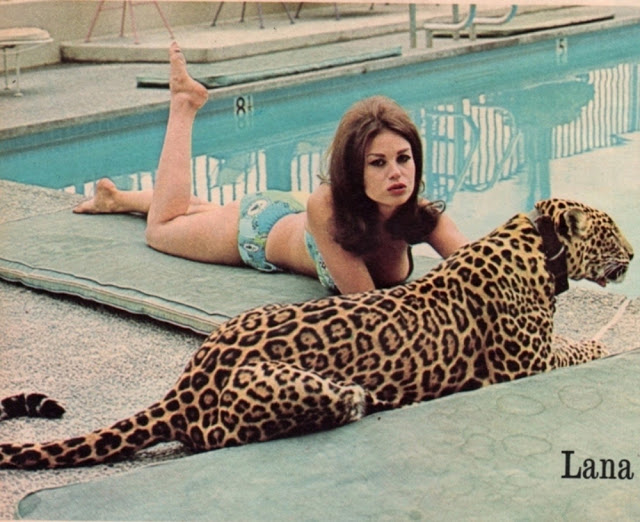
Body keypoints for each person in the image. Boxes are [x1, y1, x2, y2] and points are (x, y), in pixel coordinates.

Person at [74, 42, 467, 294]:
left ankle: (119, 199)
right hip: (260, 230)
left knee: (206, 212)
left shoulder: (423, 217)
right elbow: (369, 306)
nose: (396, 173)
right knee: (162, 228)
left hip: (291, 213)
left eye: (403, 158)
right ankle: (183, 104)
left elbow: (482, 267)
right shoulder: (328, 206)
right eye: (377, 163)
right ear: (352, 170)